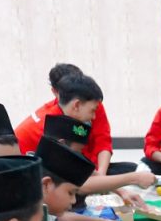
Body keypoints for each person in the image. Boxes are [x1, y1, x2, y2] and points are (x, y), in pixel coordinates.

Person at [15, 72, 154, 197]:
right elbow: (79, 184)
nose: (94, 117)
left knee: (127, 169)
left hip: (59, 179)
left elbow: (82, 165)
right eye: (92, 111)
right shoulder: (52, 129)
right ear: (76, 105)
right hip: (31, 191)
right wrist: (133, 178)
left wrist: (121, 191)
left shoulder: (69, 118)